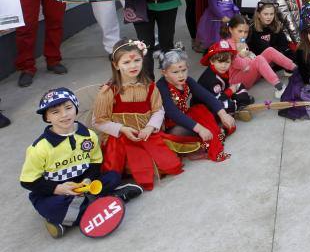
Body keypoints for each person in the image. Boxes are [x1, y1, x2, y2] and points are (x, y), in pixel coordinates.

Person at [20, 87, 142, 239]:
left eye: (68, 108)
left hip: (84, 183)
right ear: (47, 118)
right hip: (54, 190)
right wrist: (58, 188)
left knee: (113, 176)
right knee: (52, 207)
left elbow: (95, 162)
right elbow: (27, 181)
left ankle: (72, 216)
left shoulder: (88, 136)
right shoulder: (39, 148)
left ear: (76, 108)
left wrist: (88, 179)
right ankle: (110, 200)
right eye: (55, 112)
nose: (64, 115)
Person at [92, 39, 183, 190]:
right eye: (126, 62)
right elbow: (98, 121)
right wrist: (122, 129)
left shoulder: (149, 86)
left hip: (145, 133)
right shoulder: (108, 91)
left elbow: (158, 110)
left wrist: (150, 127)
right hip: (121, 138)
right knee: (131, 167)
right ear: (116, 65)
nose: (133, 66)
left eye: (137, 60)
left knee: (168, 164)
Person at [155, 47, 235, 162]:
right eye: (175, 72)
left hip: (186, 116)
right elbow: (172, 113)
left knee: (208, 110)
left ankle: (212, 131)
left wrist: (223, 114)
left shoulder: (187, 80)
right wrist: (200, 128)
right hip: (171, 124)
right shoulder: (161, 86)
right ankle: (211, 133)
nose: (181, 75)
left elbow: (206, 96)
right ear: (164, 73)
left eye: (183, 70)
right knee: (179, 133)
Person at [222, 14, 296, 94]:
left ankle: (297, 69)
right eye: (240, 31)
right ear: (230, 29)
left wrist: (248, 55)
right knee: (259, 59)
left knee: (269, 50)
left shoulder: (240, 40)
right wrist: (249, 57)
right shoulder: (228, 45)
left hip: (250, 74)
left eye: (246, 32)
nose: (243, 35)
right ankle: (280, 88)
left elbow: (247, 54)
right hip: (237, 82)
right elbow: (238, 63)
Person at [197, 40, 254, 121]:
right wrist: (230, 91)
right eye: (220, 62)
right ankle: (238, 107)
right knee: (228, 105)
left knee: (239, 85)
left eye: (227, 62)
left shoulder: (221, 70)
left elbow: (225, 88)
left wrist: (230, 90)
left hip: (220, 94)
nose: (224, 66)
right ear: (212, 61)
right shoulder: (211, 79)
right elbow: (216, 99)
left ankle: (241, 105)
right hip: (206, 104)